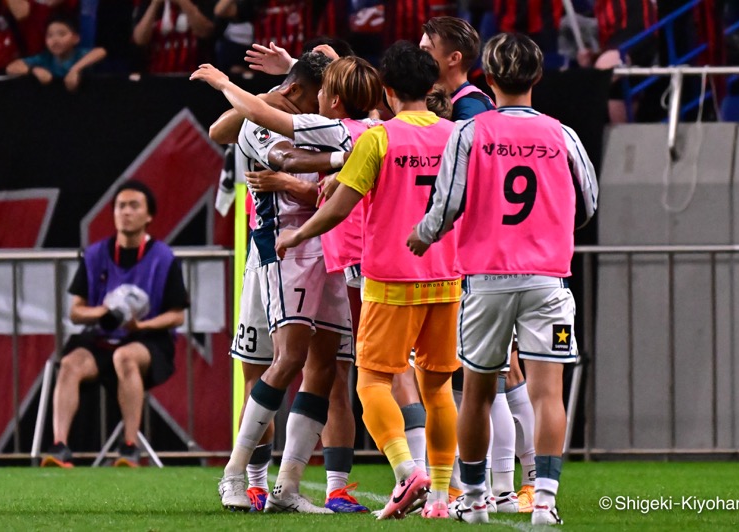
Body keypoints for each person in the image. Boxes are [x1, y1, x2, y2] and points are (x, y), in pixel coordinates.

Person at [406, 32, 598, 525]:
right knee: (547, 391)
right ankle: (546, 502)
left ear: (488, 78)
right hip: (547, 279)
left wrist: (423, 236)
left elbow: (446, 205)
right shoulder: (562, 134)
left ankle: (473, 502)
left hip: (487, 278)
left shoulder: (472, 133)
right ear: (536, 77)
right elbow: (589, 202)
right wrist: (552, 228)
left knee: (477, 391)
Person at [275, 40, 460, 520]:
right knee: (438, 388)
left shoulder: (379, 138)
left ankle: (405, 470)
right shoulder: (456, 136)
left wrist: (298, 234)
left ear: (389, 89)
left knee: (372, 380)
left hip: (392, 278)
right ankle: (440, 498)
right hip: (446, 277)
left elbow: (339, 205)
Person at [195, 50, 357, 514]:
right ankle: (240, 476)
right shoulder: (267, 120)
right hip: (279, 252)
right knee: (277, 362)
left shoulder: (321, 121)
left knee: (323, 367)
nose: (331, 102)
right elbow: (282, 158)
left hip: (329, 251)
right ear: (297, 91)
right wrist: (344, 157)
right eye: (326, 93)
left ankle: (288, 486)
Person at [41, 180, 189, 468]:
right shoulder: (95, 254)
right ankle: (59, 446)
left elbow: (177, 315)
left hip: (148, 340)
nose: (126, 212)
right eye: (121, 206)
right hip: (102, 337)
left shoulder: (164, 258)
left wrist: (141, 326)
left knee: (125, 357)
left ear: (149, 215)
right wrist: (102, 313)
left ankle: (129, 447)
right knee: (70, 363)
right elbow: (75, 312)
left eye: (134, 206)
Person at [419, 16, 495, 121]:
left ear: (454, 58)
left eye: (426, 51)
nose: (418, 57)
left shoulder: (471, 108)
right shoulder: (427, 97)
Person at [6, 14, 106, 91]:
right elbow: (11, 67)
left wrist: (75, 70)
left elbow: (101, 52)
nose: (55, 40)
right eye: (50, 35)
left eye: (62, 34)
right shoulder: (45, 58)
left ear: (76, 38)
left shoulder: (79, 54)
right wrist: (33, 70)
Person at [132, 0, 216, 74]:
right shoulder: (147, 3)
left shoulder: (202, 2)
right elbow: (140, 39)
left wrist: (183, 2)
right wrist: (154, 5)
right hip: (156, 75)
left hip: (195, 74)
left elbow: (205, 32)